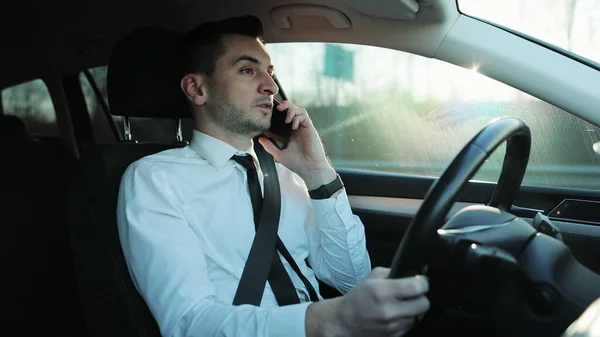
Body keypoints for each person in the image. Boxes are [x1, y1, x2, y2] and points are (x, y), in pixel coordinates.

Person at [116, 15, 430, 337]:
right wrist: (327, 321)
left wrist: (317, 173)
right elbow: (189, 324)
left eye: (271, 72)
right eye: (248, 70)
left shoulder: (287, 175)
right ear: (197, 88)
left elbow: (351, 279)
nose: (271, 86)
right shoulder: (155, 180)